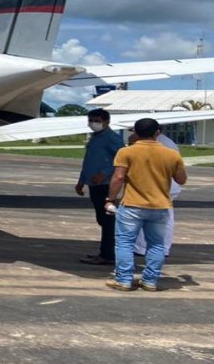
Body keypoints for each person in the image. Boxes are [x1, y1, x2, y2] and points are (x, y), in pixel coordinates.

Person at [104, 118, 187, 292]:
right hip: (160, 205)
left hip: (133, 204)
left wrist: (110, 199)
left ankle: (124, 280)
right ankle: (150, 281)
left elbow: (118, 178)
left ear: (135, 132)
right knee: (156, 244)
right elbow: (181, 179)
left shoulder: (126, 152)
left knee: (125, 243)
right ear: (157, 132)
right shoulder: (171, 154)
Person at [75, 108, 124, 265]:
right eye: (91, 120)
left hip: (105, 184)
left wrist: (104, 173)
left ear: (107, 121)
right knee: (102, 219)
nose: (93, 124)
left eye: (97, 120)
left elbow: (120, 159)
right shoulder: (95, 138)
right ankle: (106, 251)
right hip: (93, 183)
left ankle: (107, 254)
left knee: (107, 220)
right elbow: (89, 161)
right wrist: (81, 181)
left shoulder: (111, 138)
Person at [132, 130, 181, 258]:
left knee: (146, 216)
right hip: (166, 186)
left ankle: (142, 247)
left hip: (160, 186)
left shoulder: (160, 144)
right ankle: (162, 247)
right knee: (165, 218)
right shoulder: (168, 143)